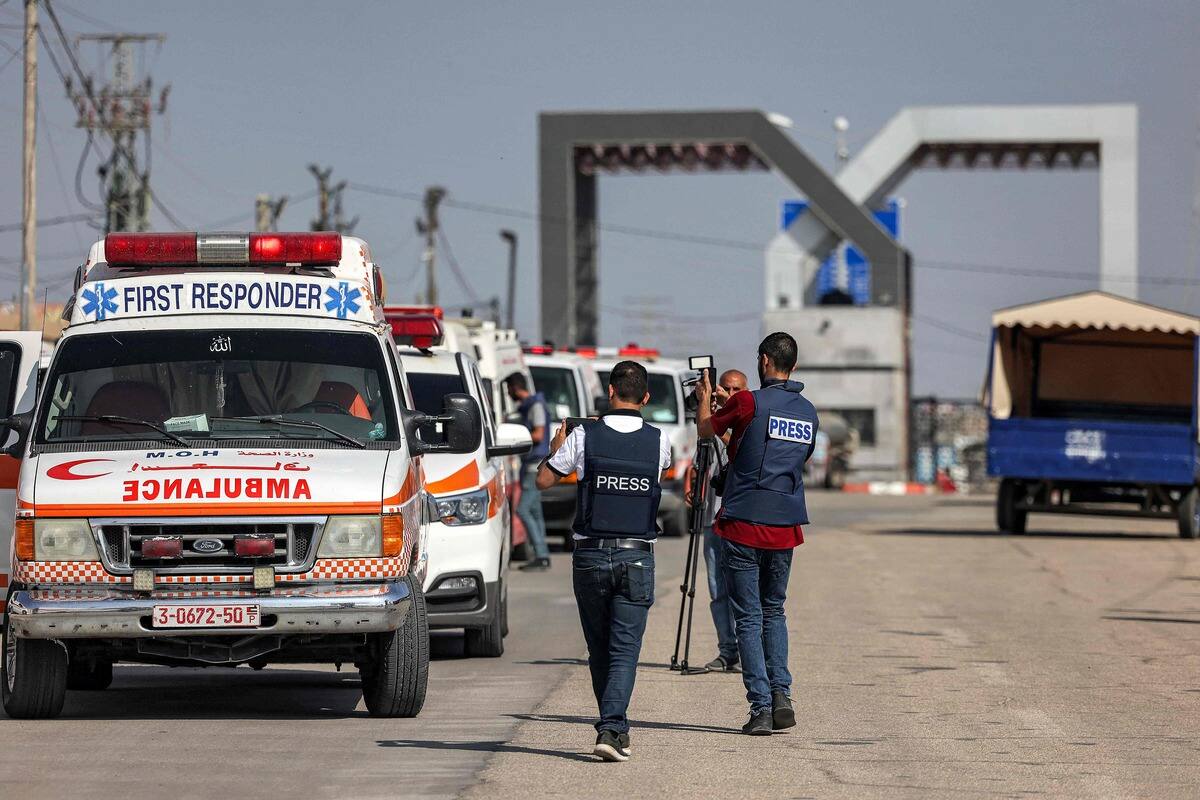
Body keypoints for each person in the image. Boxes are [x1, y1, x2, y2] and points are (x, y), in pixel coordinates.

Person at [536, 360, 671, 762]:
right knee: (624, 651)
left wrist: (556, 451)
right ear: (646, 397)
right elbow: (662, 472)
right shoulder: (659, 440)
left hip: (591, 555)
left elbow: (544, 480)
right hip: (637, 557)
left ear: (609, 391)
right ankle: (612, 729)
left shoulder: (583, 436)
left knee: (600, 649)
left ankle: (614, 728)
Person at [696, 333, 818, 736]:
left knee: (748, 617)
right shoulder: (808, 412)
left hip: (744, 523)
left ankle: (761, 708)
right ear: (793, 366)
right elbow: (796, 457)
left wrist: (704, 398)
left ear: (764, 361)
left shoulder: (747, 402)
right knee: (774, 611)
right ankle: (782, 696)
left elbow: (706, 430)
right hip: (785, 526)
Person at [685, 369, 748, 674]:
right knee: (716, 589)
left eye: (736, 390)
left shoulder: (748, 419)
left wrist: (715, 423)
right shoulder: (708, 421)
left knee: (742, 591)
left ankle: (748, 651)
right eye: (725, 388)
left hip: (737, 518)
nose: (729, 394)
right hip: (712, 518)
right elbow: (698, 462)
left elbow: (740, 449)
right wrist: (691, 485)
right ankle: (727, 650)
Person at [507, 374, 552, 571]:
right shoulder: (529, 406)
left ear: (515, 388)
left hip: (534, 466)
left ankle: (541, 555)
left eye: (509, 389)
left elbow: (539, 434)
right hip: (532, 465)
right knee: (535, 511)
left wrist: (517, 436)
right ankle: (541, 555)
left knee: (523, 510)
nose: (509, 394)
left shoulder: (535, 406)